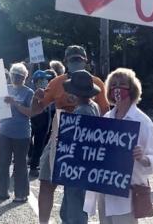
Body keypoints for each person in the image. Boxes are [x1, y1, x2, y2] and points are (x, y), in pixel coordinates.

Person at [30, 45, 109, 224]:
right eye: (73, 60)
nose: (76, 62)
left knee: (75, 190)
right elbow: (35, 111)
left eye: (78, 59)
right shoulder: (57, 82)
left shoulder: (96, 83)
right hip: (58, 140)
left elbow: (106, 115)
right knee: (47, 181)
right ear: (66, 62)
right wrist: (36, 98)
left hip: (82, 147)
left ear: (85, 60)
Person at [83, 68, 153, 224]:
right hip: (104, 192)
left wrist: (143, 159)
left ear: (131, 89)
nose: (117, 88)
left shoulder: (142, 122)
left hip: (127, 196)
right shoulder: (106, 118)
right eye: (114, 85)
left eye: (122, 84)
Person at [0, 63, 34, 203]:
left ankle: (21, 194)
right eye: (14, 75)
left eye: (20, 76)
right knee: (2, 163)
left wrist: (15, 104)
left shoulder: (29, 92)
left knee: (20, 165)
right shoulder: (4, 89)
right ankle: (2, 192)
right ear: (10, 75)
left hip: (21, 134)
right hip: (4, 132)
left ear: (25, 77)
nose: (16, 78)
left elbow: (30, 113)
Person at [61, 70, 101, 223]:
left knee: (74, 209)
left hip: (78, 166)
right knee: (71, 207)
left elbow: (78, 140)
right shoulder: (94, 106)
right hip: (85, 165)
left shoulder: (82, 111)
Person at [29, 70, 54, 178]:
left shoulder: (44, 91)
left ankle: (33, 161)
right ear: (38, 81)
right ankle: (33, 167)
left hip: (41, 120)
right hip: (39, 119)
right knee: (38, 143)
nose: (46, 81)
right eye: (44, 79)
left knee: (37, 143)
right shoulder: (36, 92)